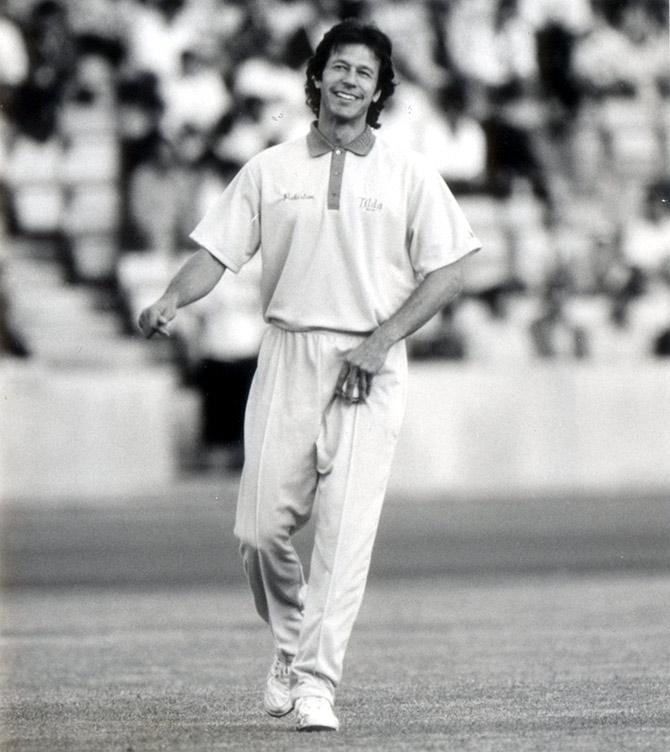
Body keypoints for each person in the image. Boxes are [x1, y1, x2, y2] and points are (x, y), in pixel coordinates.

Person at [138, 19, 480, 732]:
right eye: (340, 68)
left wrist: (381, 341)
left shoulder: (408, 173)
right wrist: (172, 296)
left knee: (343, 534)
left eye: (365, 73)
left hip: (370, 363)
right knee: (259, 531)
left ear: (380, 90)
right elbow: (216, 251)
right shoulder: (270, 168)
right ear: (317, 76)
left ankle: (317, 683)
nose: (350, 81)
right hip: (288, 352)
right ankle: (291, 647)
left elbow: (451, 270)